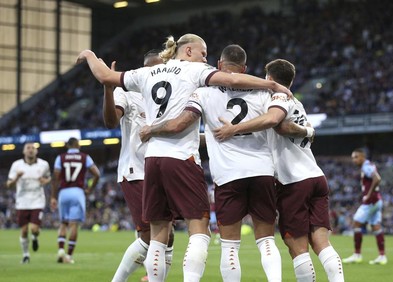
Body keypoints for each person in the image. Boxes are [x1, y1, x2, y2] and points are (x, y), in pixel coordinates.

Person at [76, 33, 291, 282]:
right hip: (181, 158)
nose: (206, 58)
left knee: (158, 235)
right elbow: (230, 80)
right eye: (203, 53)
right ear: (189, 51)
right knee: (199, 230)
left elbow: (105, 77)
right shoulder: (195, 71)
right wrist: (272, 85)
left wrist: (90, 55)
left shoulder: (144, 74)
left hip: (152, 160)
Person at [140, 44, 285, 282]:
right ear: (245, 68)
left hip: (228, 176)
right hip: (262, 172)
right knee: (266, 240)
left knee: (229, 246)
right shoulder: (263, 93)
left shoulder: (203, 93)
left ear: (218, 66)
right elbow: (273, 121)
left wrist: (152, 129)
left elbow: (182, 124)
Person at [212, 59, 344, 282]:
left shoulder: (277, 98)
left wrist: (233, 129)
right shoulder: (298, 104)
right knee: (322, 243)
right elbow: (295, 128)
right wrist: (308, 130)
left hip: (294, 181)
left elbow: (279, 124)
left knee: (297, 247)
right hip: (315, 177)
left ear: (270, 79)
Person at [103, 51, 175, 282]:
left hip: (162, 170)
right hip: (137, 171)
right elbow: (111, 121)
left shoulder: (168, 94)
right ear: (144, 70)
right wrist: (108, 87)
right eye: (153, 69)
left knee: (168, 235)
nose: (158, 73)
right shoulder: (128, 92)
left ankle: (153, 277)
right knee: (148, 235)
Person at [50, 137, 100, 264]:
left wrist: (53, 197)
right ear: (77, 145)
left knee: (63, 223)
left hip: (63, 192)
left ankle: (60, 250)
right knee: (74, 225)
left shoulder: (60, 158)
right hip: (77, 192)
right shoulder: (85, 157)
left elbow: (55, 179)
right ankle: (69, 256)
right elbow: (97, 174)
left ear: (67, 146)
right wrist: (89, 189)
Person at [7, 142, 51, 264]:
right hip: (22, 201)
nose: (31, 150)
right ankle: (26, 255)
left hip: (37, 200)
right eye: (28, 148)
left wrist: (45, 181)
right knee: (24, 230)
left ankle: (35, 237)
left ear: (36, 151)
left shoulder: (43, 164)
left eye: (33, 148)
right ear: (24, 151)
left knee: (34, 229)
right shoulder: (17, 165)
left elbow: (49, 177)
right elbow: (9, 184)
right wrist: (16, 177)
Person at [341, 148, 386, 265]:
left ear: (362, 157)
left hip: (371, 201)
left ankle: (357, 255)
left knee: (356, 223)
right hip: (377, 200)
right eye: (352, 158)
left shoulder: (366, 166)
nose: (354, 160)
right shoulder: (368, 165)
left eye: (356, 157)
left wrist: (368, 194)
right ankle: (382, 256)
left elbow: (377, 178)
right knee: (376, 226)